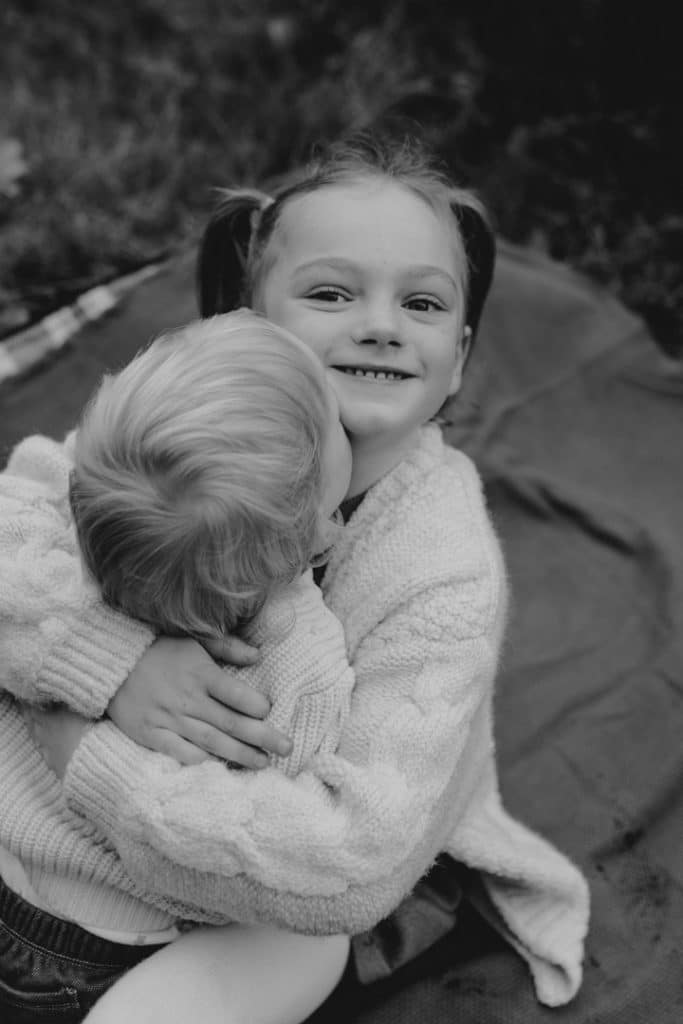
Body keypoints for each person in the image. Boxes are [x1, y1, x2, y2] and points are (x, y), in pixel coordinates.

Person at [0, 133, 590, 1024]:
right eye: (330, 292)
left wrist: (86, 751)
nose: (381, 323)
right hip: (27, 847)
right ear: (247, 321)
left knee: (304, 940)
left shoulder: (440, 573)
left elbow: (349, 859)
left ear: (459, 359)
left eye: (422, 303)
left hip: (209, 890)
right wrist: (100, 659)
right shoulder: (192, 416)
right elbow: (19, 518)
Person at [0, 310, 354, 1021]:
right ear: (319, 530)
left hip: (10, 860)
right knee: (316, 944)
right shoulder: (299, 671)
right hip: (89, 955)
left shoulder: (73, 512)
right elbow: (239, 857)